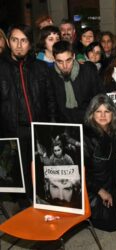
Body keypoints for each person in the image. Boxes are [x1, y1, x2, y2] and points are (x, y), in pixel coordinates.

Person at [0, 24, 57, 205]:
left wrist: (53, 127)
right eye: (15, 40)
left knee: (41, 171)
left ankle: (42, 206)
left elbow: (50, 100)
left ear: (30, 44)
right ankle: (25, 211)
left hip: (39, 129)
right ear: (8, 42)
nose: (19, 45)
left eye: (23, 40)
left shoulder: (40, 68)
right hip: (13, 131)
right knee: (20, 176)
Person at [84, 94, 116, 231]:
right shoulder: (86, 136)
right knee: (112, 225)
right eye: (98, 111)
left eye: (107, 111)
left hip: (114, 183)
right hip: (95, 188)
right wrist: (100, 191)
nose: (103, 115)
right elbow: (82, 172)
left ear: (113, 114)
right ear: (92, 114)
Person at [50, 40, 104, 123]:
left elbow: (100, 97)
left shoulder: (88, 70)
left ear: (74, 56)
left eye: (68, 60)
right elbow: (51, 106)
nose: (65, 66)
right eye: (60, 62)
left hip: (89, 124)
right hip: (64, 127)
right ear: (54, 59)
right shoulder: (50, 75)